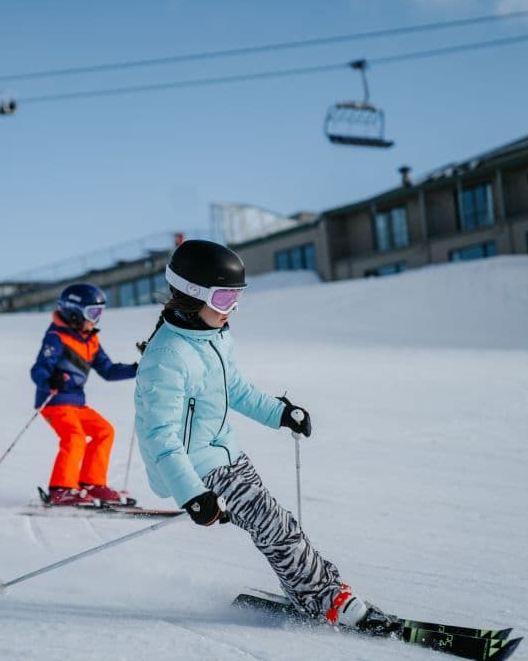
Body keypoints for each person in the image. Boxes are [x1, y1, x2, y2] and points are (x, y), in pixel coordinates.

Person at [133, 239, 395, 633]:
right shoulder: (168, 357)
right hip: (195, 468)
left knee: (274, 524)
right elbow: (160, 438)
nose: (231, 309)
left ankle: (308, 592)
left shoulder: (215, 337)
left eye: (236, 298)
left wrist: (280, 413)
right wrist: (192, 494)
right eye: (223, 298)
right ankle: (327, 599)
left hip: (226, 454)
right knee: (273, 524)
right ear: (191, 295)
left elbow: (234, 389)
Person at [30, 283, 138, 507]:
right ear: (73, 312)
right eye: (92, 313)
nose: (95, 319)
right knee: (74, 436)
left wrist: (139, 368)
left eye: (99, 313)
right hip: (54, 401)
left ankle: (92, 484)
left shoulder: (91, 340)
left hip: (76, 403)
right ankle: (61, 489)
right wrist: (50, 380)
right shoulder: (56, 337)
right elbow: (38, 369)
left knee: (104, 431)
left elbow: (108, 371)